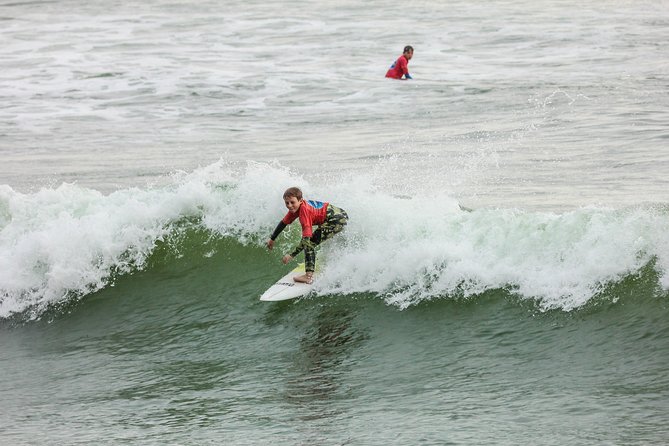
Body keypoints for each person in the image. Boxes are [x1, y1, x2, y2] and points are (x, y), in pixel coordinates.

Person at [267, 187, 348, 284]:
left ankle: (308, 276)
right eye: (287, 203)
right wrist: (272, 239)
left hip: (336, 220)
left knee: (309, 244)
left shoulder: (304, 212)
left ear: (300, 200)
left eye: (292, 202)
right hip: (340, 214)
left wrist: (291, 255)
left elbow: (306, 240)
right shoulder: (296, 209)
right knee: (316, 238)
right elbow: (283, 223)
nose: (289, 206)